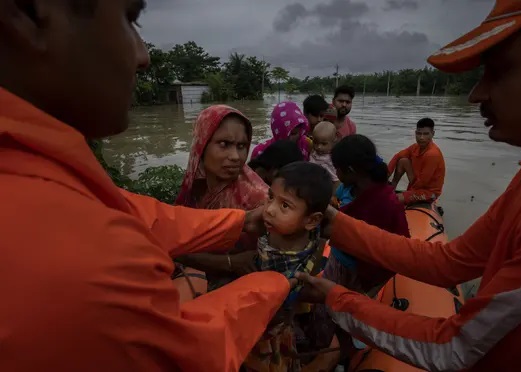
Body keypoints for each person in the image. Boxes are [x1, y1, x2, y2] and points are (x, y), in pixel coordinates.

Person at [294, 0, 521, 370]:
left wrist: (336, 298)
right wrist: (332, 222)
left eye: (499, 70)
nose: (475, 94)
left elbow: (459, 348)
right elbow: (450, 263)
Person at [0, 2, 295, 371]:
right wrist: (271, 284)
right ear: (27, 12)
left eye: (241, 145)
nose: (143, 56)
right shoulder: (95, 263)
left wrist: (240, 223)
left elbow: (132, 212)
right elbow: (192, 355)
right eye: (129, 18)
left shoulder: (40, 173)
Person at [309, 134, 411, 356]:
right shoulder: (349, 191)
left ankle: (343, 354)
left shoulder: (386, 203)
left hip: (361, 272)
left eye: (338, 169)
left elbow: (399, 249)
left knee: (351, 312)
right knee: (325, 308)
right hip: (339, 260)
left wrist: (372, 288)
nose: (336, 174)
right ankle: (322, 346)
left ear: (351, 171)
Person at [240, 162, 332, 372]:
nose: (269, 210)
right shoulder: (277, 226)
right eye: (270, 197)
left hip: (274, 324)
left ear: (312, 220)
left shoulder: (301, 255)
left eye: (285, 206)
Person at [172, 105, 269, 295]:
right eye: (224, 144)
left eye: (241, 147)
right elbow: (177, 234)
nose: (235, 157)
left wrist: (229, 264)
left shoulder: (257, 198)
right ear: (202, 145)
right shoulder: (196, 184)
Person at [388, 117, 446, 205]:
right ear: (415, 133)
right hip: (417, 184)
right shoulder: (415, 147)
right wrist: (385, 175)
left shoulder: (432, 154)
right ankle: (391, 188)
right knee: (403, 160)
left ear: (433, 134)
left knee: (390, 200)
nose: (421, 137)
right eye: (419, 133)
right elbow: (397, 156)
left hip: (429, 192)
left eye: (426, 134)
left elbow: (423, 182)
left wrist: (406, 194)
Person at [309, 121, 340, 191]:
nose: (319, 147)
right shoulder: (313, 151)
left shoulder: (331, 160)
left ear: (333, 140)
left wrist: (332, 196)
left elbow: (336, 181)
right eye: (316, 143)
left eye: (324, 144)